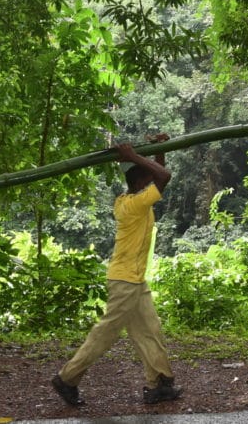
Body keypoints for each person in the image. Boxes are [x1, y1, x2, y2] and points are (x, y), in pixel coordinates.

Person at [51, 134, 183, 406]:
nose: (151, 179)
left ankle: (158, 383)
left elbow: (160, 176)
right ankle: (67, 378)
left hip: (135, 281)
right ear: (139, 181)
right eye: (146, 175)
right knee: (105, 333)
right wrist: (133, 156)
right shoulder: (132, 205)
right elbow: (165, 177)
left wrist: (159, 149)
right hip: (125, 281)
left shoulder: (136, 198)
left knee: (150, 330)